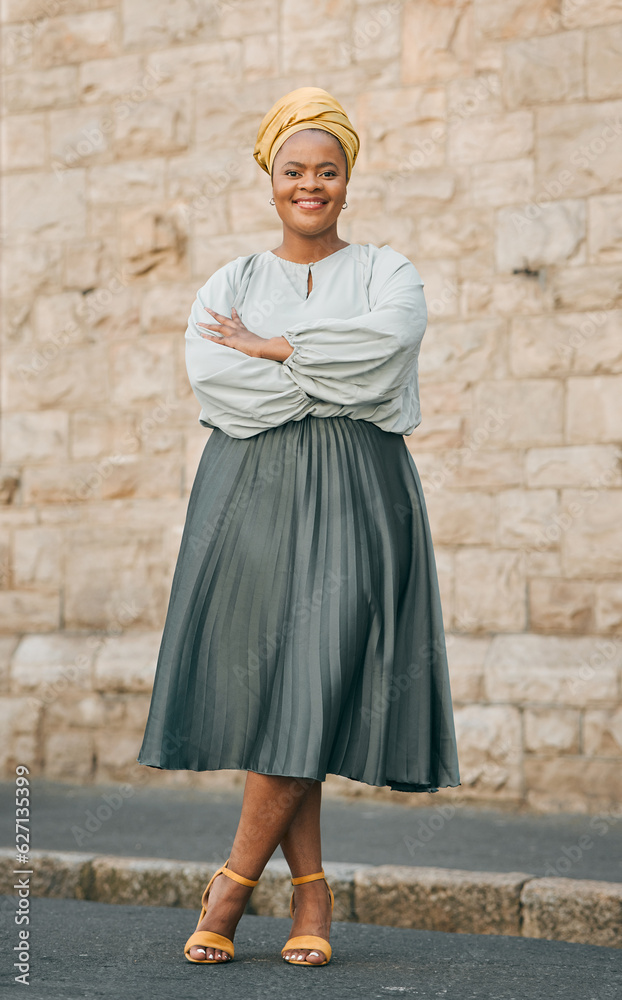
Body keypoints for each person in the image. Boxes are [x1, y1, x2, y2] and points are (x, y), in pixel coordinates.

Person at [137, 86, 460, 968]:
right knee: (287, 686)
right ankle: (311, 897)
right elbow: (218, 383)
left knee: (314, 671)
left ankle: (232, 885)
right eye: (293, 171)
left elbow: (385, 352)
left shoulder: (389, 271)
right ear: (269, 180)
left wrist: (279, 349)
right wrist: (329, 369)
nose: (309, 184)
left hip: (362, 491)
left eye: (327, 170)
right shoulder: (231, 280)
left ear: (348, 181)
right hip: (250, 495)